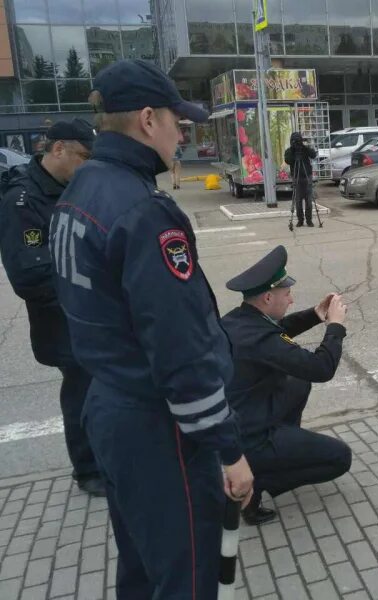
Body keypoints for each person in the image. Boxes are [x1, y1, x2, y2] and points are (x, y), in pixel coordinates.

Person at [49, 59, 253, 599]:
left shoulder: (82, 188)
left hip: (109, 407)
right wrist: (228, 451)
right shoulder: (142, 210)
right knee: (186, 577)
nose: (180, 133)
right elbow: (180, 351)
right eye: (176, 121)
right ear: (146, 119)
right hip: (158, 429)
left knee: (141, 566)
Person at [0, 119, 105, 497]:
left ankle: (106, 457)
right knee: (81, 393)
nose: (87, 165)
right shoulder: (22, 200)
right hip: (62, 324)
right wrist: (89, 276)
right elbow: (28, 276)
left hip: (91, 316)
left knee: (102, 389)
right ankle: (88, 469)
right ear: (57, 149)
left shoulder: (72, 187)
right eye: (83, 156)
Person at [221, 245, 352, 526]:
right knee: (341, 458)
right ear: (268, 297)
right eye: (286, 294)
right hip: (252, 437)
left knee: (297, 382)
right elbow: (321, 368)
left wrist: (316, 315)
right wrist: (336, 326)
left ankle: (282, 448)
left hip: (241, 418)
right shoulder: (260, 338)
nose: (291, 300)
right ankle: (257, 480)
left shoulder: (239, 320)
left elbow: (276, 333)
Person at [284, 132, 318, 227]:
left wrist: (304, 147)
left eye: (298, 141)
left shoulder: (304, 149)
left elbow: (313, 155)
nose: (297, 143)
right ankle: (300, 220)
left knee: (309, 200)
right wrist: (293, 150)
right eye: (295, 141)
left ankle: (309, 220)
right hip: (297, 177)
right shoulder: (289, 151)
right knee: (298, 201)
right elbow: (287, 160)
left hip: (307, 177)